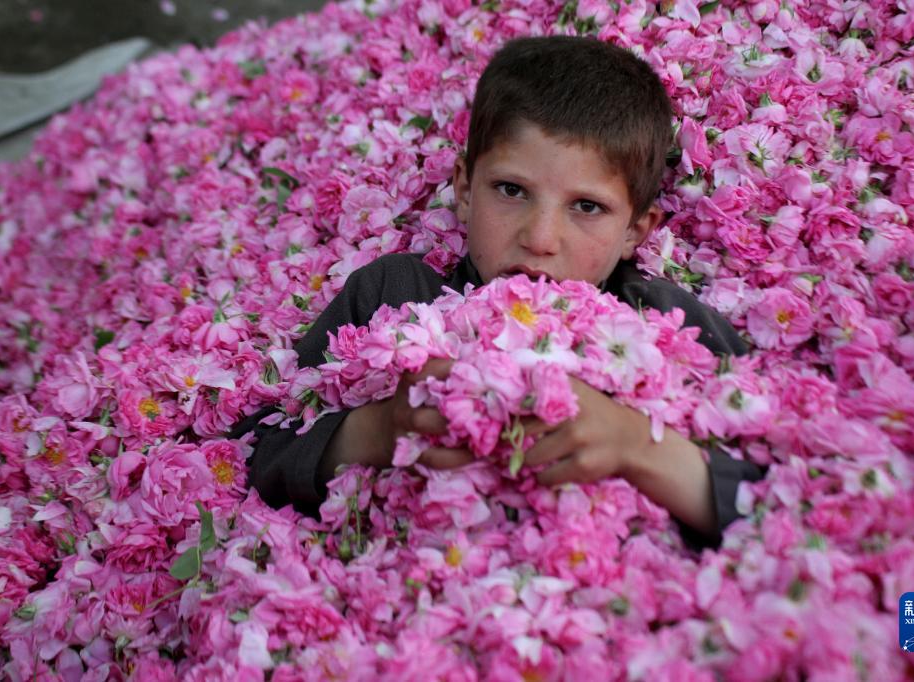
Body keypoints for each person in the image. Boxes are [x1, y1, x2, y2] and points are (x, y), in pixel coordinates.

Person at [230, 36, 765, 551]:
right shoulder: (391, 292)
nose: (539, 238)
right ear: (464, 190)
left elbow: (778, 501)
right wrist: (379, 430)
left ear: (635, 230)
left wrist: (636, 446)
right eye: (511, 191)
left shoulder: (669, 324)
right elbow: (260, 450)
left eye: (587, 207)